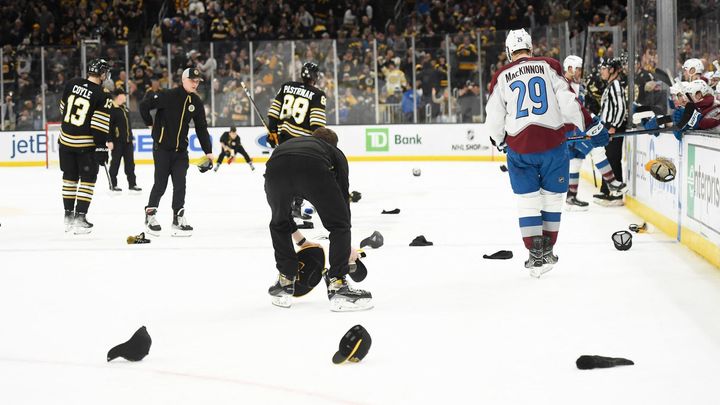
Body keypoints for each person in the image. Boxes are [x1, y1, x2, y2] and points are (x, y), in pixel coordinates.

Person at [485, 29, 609, 277]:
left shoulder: (500, 75)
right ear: (530, 48)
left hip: (519, 149)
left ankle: (534, 252)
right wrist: (591, 124)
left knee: (527, 201)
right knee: (552, 199)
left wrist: (499, 141)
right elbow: (568, 102)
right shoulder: (549, 65)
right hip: (553, 144)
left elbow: (494, 117)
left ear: (509, 51)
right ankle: (549, 249)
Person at [264, 127, 372, 311]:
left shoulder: (291, 143)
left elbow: (284, 216)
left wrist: (302, 241)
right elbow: (342, 204)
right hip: (312, 167)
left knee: (278, 222)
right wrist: (344, 247)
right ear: (333, 145)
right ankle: (338, 285)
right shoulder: (334, 152)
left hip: (275, 166)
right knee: (339, 224)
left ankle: (285, 282)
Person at [139, 67, 214, 237]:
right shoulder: (168, 95)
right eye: (192, 80)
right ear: (183, 80)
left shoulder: (196, 102)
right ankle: (150, 215)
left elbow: (201, 128)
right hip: (162, 149)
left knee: (180, 185)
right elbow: (144, 105)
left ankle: (178, 218)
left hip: (181, 151)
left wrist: (208, 151)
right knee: (160, 184)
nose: (195, 84)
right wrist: (150, 125)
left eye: (197, 81)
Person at [562, 55, 627, 211]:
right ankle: (611, 183)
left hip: (572, 129)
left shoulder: (575, 85)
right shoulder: (563, 86)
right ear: (570, 68)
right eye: (578, 69)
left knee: (575, 162)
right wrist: (591, 118)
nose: (580, 72)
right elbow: (572, 109)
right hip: (573, 128)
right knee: (597, 148)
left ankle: (571, 197)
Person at [267, 62, 328, 222]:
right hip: (303, 144)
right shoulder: (317, 94)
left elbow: (273, 113)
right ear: (315, 77)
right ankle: (296, 207)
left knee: (283, 176)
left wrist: (272, 132)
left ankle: (283, 210)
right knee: (303, 176)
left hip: (284, 141)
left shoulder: (286, 86)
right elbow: (317, 125)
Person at [59, 58, 114, 234]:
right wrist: (101, 147)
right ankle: (80, 218)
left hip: (65, 141)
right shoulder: (102, 95)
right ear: (103, 74)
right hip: (84, 145)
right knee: (88, 180)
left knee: (69, 177)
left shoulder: (72, 83)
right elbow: (99, 126)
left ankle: (68, 217)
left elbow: (63, 108)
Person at [594, 58, 628, 206]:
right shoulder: (610, 85)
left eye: (604, 68)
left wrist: (613, 125)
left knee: (613, 159)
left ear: (612, 70)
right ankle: (607, 190)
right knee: (608, 158)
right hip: (608, 128)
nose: (601, 71)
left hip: (614, 129)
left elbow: (621, 107)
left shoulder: (615, 85)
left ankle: (617, 194)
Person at [108, 88, 141, 192]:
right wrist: (109, 140)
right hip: (117, 142)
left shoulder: (124, 108)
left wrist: (130, 137)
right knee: (115, 163)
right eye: (124, 95)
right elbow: (108, 126)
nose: (125, 97)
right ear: (119, 96)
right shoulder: (112, 109)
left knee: (130, 164)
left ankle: (132, 184)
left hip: (128, 141)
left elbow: (127, 125)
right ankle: (113, 184)